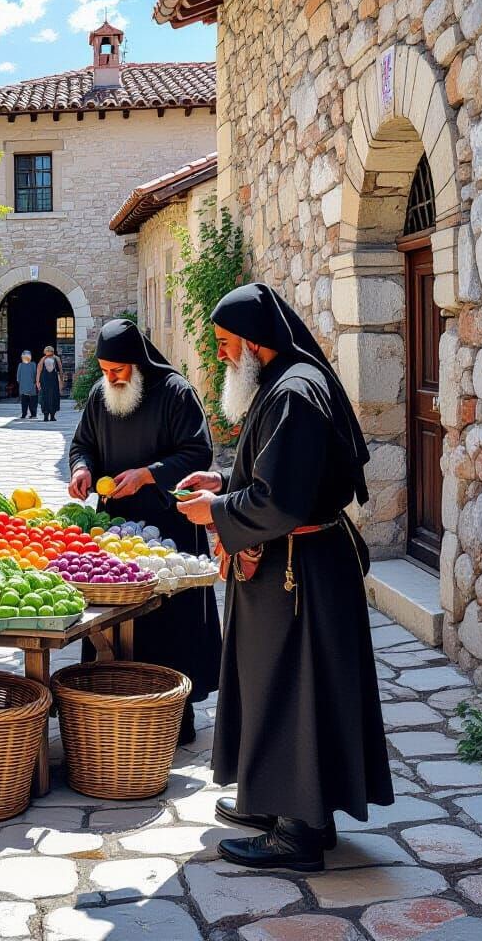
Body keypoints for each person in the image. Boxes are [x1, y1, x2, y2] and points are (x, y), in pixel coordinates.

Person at [177, 282, 393, 872]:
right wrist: (223, 485)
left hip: (301, 571)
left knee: (298, 691)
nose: (220, 354)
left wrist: (217, 514)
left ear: (252, 341)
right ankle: (276, 803)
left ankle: (299, 833)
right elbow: (279, 473)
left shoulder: (295, 392)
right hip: (289, 568)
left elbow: (285, 500)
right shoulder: (283, 383)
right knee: (272, 684)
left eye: (224, 343)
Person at [68, 319, 222, 741]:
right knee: (112, 617)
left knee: (169, 620)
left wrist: (149, 475)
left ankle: (178, 711)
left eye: (117, 371)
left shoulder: (175, 392)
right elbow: (82, 443)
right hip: (115, 528)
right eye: (104, 371)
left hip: (169, 524)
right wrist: (81, 468)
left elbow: (197, 452)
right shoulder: (101, 397)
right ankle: (110, 701)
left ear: (136, 363)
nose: (110, 379)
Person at [37, 345, 63, 422]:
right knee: (49, 397)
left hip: (50, 381)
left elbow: (60, 371)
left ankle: (49, 416)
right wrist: (38, 381)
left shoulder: (53, 359)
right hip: (48, 381)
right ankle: (49, 416)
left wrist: (61, 381)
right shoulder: (46, 359)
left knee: (50, 397)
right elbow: (39, 370)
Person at [16, 350, 38, 419]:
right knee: (31, 401)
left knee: (26, 401)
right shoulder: (33, 364)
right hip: (30, 386)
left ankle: (25, 414)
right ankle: (32, 414)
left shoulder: (22, 365)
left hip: (26, 386)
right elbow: (35, 375)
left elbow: (18, 377)